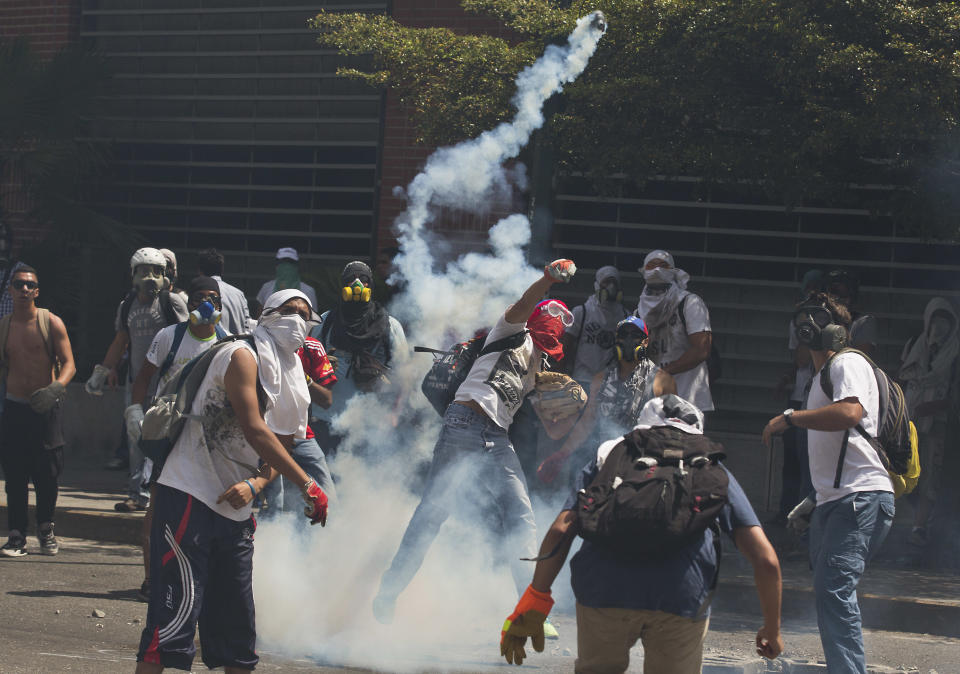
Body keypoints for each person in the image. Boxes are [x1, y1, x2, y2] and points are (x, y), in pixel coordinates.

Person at [501, 395, 783, 673]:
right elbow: (767, 561)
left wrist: (536, 600)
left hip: (604, 590)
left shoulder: (610, 454)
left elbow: (562, 529)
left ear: (642, 426)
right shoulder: (709, 466)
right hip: (681, 596)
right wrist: (772, 629)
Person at [371, 259, 578, 631]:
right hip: (465, 423)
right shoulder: (510, 331)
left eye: (560, 330)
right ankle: (389, 590)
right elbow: (522, 303)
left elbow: (554, 430)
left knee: (519, 516)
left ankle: (528, 606)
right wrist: (547, 279)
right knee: (435, 517)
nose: (556, 333)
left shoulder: (541, 366)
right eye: (554, 323)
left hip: (495, 436)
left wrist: (570, 409)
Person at [135, 289, 329, 673]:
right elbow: (257, 430)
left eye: (305, 315)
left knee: (238, 638)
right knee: (169, 626)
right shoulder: (240, 355)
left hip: (235, 512)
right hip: (189, 492)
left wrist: (257, 485)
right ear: (265, 313)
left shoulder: (293, 379)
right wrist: (308, 484)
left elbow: (283, 446)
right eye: (288, 311)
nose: (296, 320)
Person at [763, 292, 894, 674]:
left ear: (833, 329)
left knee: (834, 592)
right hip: (839, 499)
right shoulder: (823, 376)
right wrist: (815, 499)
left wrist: (790, 418)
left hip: (858, 497)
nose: (805, 328)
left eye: (813, 320)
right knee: (828, 592)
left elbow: (851, 412)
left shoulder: (847, 362)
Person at [127, 275, 229, 599]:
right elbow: (144, 377)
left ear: (222, 305)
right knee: (158, 507)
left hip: (206, 438)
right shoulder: (169, 336)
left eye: (213, 297)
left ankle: (199, 580)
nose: (206, 303)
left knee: (207, 505)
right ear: (190, 303)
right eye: (200, 297)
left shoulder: (227, 343)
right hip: (168, 433)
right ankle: (151, 579)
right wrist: (134, 411)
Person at [85, 247, 188, 512]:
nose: (150, 277)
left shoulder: (172, 302)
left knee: (166, 438)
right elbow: (121, 340)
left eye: (156, 271)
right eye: (144, 271)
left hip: (168, 383)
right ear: (133, 274)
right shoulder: (127, 305)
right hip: (137, 384)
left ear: (166, 275)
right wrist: (103, 370)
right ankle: (137, 493)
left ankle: (160, 492)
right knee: (136, 438)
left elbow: (189, 336)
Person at [537, 316, 676, 486]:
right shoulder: (601, 379)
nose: (629, 340)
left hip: (643, 465)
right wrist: (562, 454)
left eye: (635, 335)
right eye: (624, 335)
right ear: (616, 340)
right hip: (606, 461)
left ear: (645, 342)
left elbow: (672, 429)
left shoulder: (662, 381)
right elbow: (587, 422)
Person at [0, 266, 77, 557]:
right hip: (15, 409)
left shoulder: (50, 322)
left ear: (36, 291)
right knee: (15, 475)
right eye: (18, 285)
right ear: (10, 290)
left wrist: (55, 389)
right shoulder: (4, 326)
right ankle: (17, 535)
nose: (23, 290)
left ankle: (46, 530)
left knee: (47, 474)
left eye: (29, 285)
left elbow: (69, 363)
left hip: (46, 409)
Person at [312, 260, 408, 458]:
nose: (357, 286)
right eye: (351, 281)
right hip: (327, 419)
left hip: (370, 420)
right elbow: (307, 361)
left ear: (370, 286)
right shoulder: (327, 320)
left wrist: (395, 414)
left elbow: (404, 375)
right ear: (343, 286)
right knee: (326, 477)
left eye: (363, 281)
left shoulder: (389, 325)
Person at [899, 297, 959, 547]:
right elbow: (902, 379)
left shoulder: (955, 353)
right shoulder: (914, 345)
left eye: (945, 320)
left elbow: (954, 394)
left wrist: (932, 407)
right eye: (936, 319)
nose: (939, 326)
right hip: (910, 420)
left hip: (938, 424)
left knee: (930, 477)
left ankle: (919, 526)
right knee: (905, 469)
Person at [260, 334, 339, 516]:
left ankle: (328, 539)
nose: (294, 320)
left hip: (300, 433)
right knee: (275, 504)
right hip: (265, 433)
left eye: (301, 314)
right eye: (287, 311)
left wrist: (304, 377)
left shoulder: (312, 347)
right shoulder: (258, 345)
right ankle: (277, 540)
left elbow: (326, 400)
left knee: (328, 498)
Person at [771, 269, 823, 525]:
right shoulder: (797, 320)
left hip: (819, 401)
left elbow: (807, 356)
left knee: (809, 462)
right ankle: (786, 511)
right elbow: (799, 359)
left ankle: (807, 517)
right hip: (798, 397)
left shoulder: (831, 323)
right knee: (791, 459)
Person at [636, 250, 714, 414]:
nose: (657, 270)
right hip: (653, 402)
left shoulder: (689, 302)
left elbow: (702, 349)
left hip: (688, 399)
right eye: (651, 266)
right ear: (643, 271)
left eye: (663, 265)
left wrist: (664, 373)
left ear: (673, 271)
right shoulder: (638, 312)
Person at [561, 265, 628, 389]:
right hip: (582, 379)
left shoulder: (625, 316)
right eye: (607, 282)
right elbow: (566, 346)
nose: (611, 287)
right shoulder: (582, 312)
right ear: (597, 285)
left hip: (610, 384)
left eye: (614, 283)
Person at [196, 248, 253, 335]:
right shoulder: (239, 294)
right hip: (239, 346)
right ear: (222, 270)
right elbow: (248, 325)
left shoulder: (200, 293)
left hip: (215, 346)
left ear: (200, 271)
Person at [825, 268, 878, 356]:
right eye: (834, 292)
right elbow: (802, 360)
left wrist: (841, 319)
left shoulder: (863, 322)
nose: (837, 299)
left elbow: (860, 358)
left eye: (843, 294)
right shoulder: (818, 318)